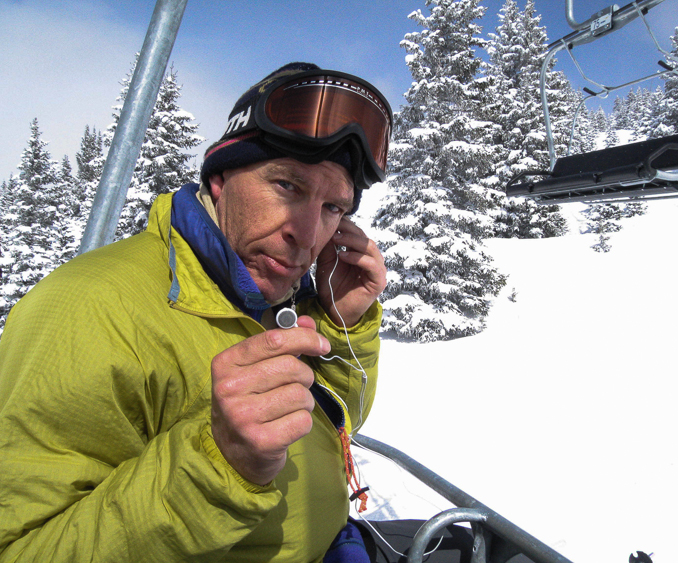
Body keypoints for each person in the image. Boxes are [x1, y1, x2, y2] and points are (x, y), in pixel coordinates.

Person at [0, 62, 391, 562]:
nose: (307, 233)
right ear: (222, 180)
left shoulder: (272, 300)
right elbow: (24, 549)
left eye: (334, 207)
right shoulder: (87, 309)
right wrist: (219, 462)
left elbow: (337, 423)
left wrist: (342, 324)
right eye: (287, 186)